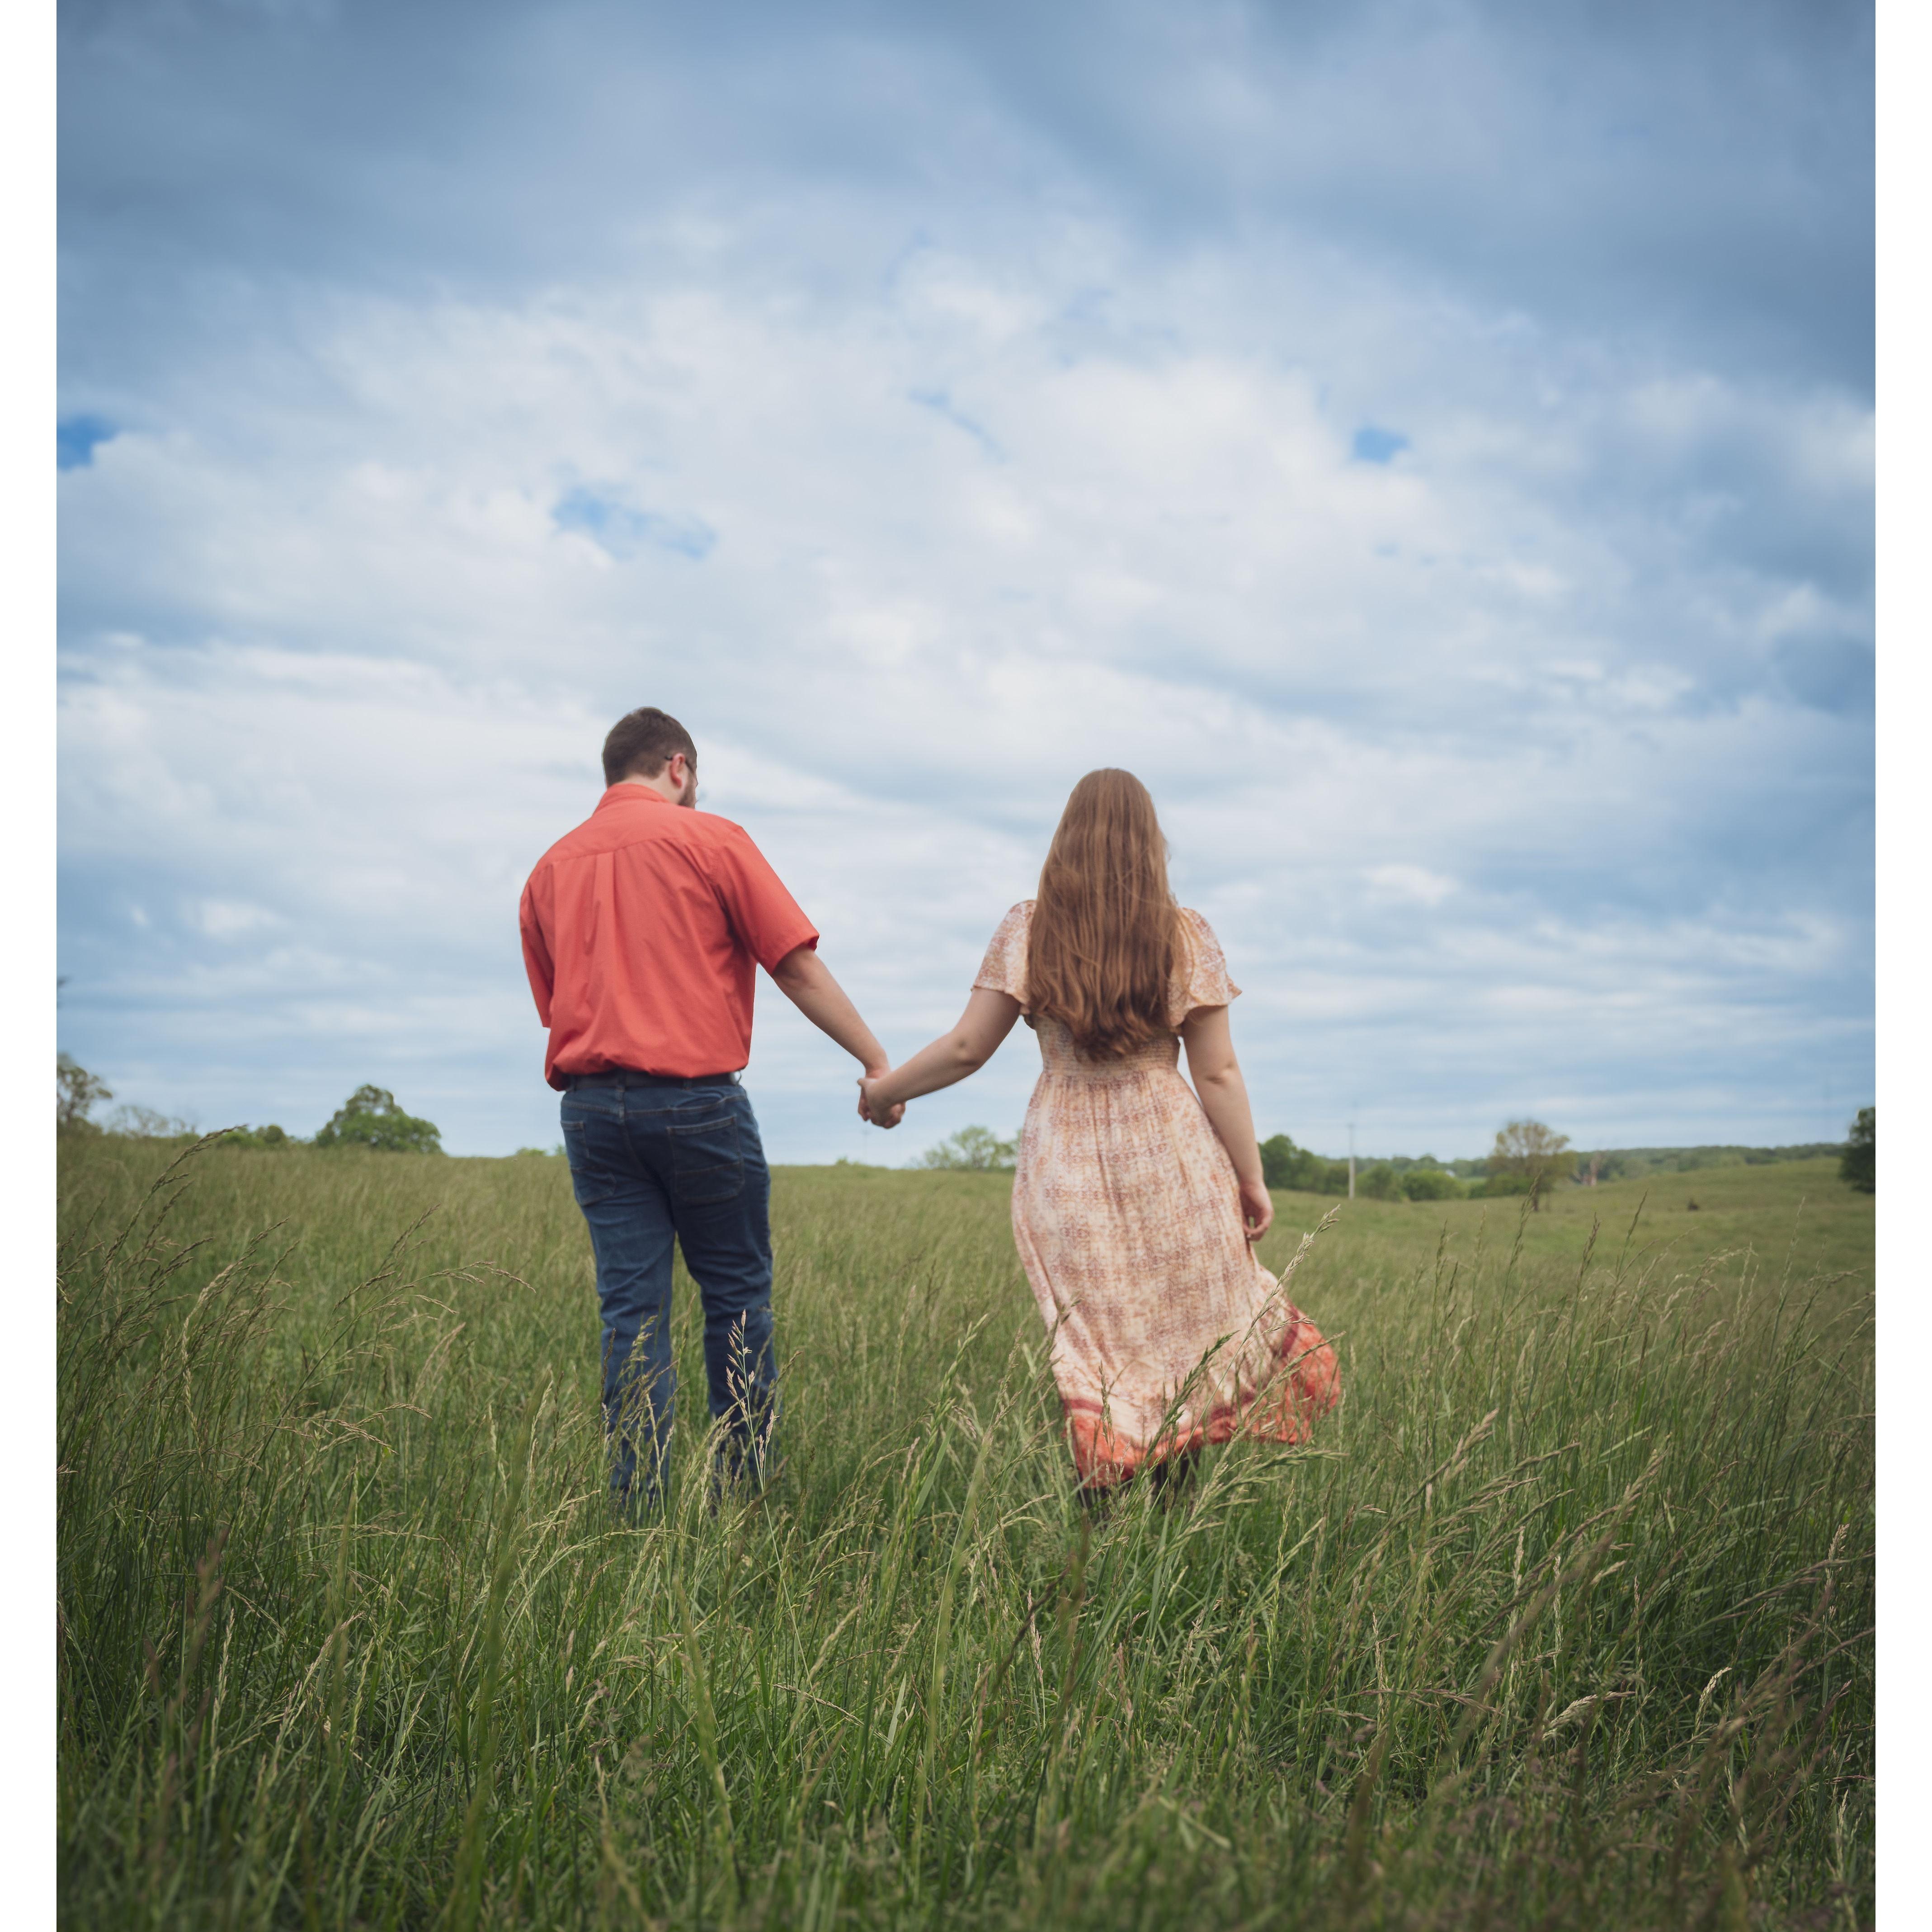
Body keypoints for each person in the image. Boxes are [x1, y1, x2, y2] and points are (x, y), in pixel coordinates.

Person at [858, 768, 1339, 1490]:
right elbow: (1217, 1072)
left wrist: (883, 1093)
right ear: (1150, 843)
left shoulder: (1029, 928)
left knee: (1093, 1350)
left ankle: (1100, 1524)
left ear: (1067, 840)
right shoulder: (1183, 934)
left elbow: (965, 1048)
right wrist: (1250, 1176)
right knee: (1183, 1347)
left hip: (1065, 1165)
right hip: (1173, 1158)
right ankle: (1167, 1531)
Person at [520, 707, 902, 1511]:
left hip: (591, 1112)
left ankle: (638, 1507)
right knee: (734, 1299)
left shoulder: (549, 869)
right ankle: (742, 1494)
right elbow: (793, 965)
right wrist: (876, 1063)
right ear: (679, 767)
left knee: (630, 1314)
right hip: (697, 1104)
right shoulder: (713, 840)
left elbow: (554, 1005)